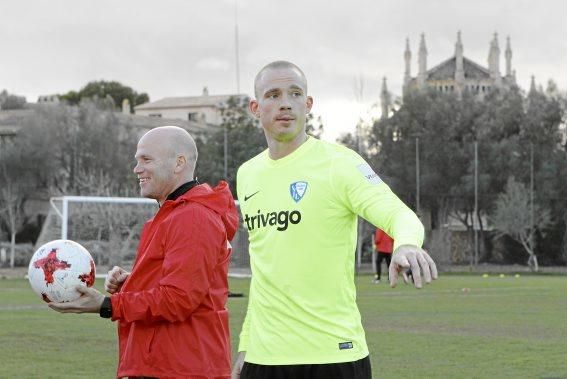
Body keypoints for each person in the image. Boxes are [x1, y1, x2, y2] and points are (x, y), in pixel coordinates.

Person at [231, 61, 438, 379]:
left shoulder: (339, 164)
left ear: (308, 104)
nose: (285, 102)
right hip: (263, 360)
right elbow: (264, 273)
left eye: (295, 93)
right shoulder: (247, 174)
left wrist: (406, 244)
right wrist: (246, 345)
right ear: (255, 108)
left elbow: (398, 213)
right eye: (273, 95)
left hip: (332, 356)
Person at [49, 126, 238, 379]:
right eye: (137, 160)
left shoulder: (193, 216)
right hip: (168, 364)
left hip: (183, 368)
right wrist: (134, 283)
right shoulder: (174, 214)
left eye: (146, 159)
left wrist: (106, 305)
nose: (136, 169)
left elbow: (179, 299)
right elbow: (185, 284)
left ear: (178, 163)